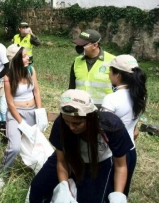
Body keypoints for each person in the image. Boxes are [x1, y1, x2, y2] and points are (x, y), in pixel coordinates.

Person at [29, 89, 134, 203]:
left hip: (99, 163)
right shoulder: (61, 124)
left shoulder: (111, 125)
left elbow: (120, 166)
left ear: (90, 118)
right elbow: (61, 162)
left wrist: (118, 195)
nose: (71, 127)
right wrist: (64, 187)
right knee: (38, 186)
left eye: (77, 123)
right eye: (67, 122)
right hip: (69, 156)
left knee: (90, 199)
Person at [101, 54, 147, 195]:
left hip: (113, 154)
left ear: (118, 75)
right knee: (120, 194)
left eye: (110, 71)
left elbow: (104, 131)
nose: (109, 74)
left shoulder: (111, 99)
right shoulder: (139, 94)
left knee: (106, 193)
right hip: (130, 152)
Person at [0, 44, 47, 175]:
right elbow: (10, 103)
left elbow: (36, 91)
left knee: (36, 145)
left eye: (27, 55)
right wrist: (21, 123)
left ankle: (38, 171)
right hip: (16, 114)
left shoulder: (30, 70)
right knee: (14, 147)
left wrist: (40, 111)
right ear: (15, 59)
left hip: (32, 111)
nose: (28, 58)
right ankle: (3, 174)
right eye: (24, 56)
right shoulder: (8, 77)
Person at [69, 29, 115, 107]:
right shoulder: (77, 61)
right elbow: (71, 88)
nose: (79, 47)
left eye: (83, 45)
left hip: (105, 109)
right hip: (81, 108)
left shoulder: (113, 61)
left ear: (95, 45)